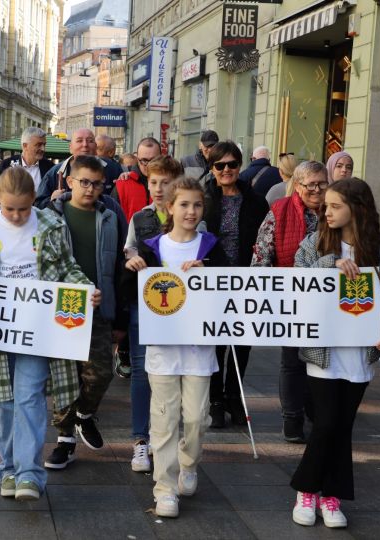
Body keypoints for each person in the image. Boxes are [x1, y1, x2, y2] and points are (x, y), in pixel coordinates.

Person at [0, 167, 100, 501]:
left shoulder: (51, 225)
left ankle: (29, 475)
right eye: (10, 209)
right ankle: (8, 469)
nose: (18, 215)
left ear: (32, 200)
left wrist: (85, 288)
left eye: (23, 208)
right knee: (6, 403)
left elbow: (69, 268)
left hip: (38, 328)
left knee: (30, 398)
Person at [290, 178, 380, 529]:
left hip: (360, 352)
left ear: (357, 208)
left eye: (335, 206)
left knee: (343, 425)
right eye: (325, 205)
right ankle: (306, 489)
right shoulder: (314, 244)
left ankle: (332, 495)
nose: (326, 212)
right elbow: (297, 286)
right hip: (323, 350)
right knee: (325, 422)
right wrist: (330, 266)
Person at [123, 176, 229, 518]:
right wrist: (132, 268)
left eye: (197, 205)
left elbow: (231, 287)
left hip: (199, 351)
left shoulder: (212, 247)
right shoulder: (152, 248)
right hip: (162, 350)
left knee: (197, 419)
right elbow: (131, 291)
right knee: (164, 419)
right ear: (169, 207)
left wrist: (208, 272)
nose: (191, 211)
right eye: (184, 204)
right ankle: (164, 489)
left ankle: (188, 461)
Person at [44, 155, 127, 469]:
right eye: (84, 182)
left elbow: (119, 263)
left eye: (97, 183)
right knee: (65, 377)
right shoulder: (50, 215)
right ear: (69, 181)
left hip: (99, 305)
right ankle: (64, 439)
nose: (90, 189)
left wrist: (118, 312)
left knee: (100, 373)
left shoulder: (109, 216)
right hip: (62, 306)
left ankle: (84, 414)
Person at [252, 160, 328, 442]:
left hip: (328, 302)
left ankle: (315, 411)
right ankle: (292, 419)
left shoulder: (337, 209)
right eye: (311, 184)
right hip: (291, 298)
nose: (318, 190)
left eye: (322, 183)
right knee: (292, 360)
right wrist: (264, 290)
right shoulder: (280, 210)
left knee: (321, 358)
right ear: (297, 186)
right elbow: (262, 254)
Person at [122, 155, 182, 472]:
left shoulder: (189, 215)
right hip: (143, 303)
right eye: (153, 182)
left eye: (166, 183)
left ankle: (165, 436)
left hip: (178, 306)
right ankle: (140, 440)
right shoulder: (140, 218)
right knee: (142, 368)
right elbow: (129, 247)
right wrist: (131, 255)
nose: (158, 189)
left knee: (172, 372)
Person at [203, 141, 269, 428]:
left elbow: (266, 240)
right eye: (220, 165)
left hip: (246, 279)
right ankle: (215, 399)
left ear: (240, 166)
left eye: (232, 164)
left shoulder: (256, 200)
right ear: (212, 168)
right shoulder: (204, 199)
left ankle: (235, 396)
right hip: (212, 280)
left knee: (242, 342)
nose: (226, 170)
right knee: (216, 343)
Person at [35, 128, 122, 205]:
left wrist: (127, 178)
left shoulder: (112, 169)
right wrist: (52, 200)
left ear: (95, 147)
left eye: (90, 141)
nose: (85, 145)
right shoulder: (55, 173)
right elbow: (39, 204)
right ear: (70, 148)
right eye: (79, 141)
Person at [113, 137, 162, 221]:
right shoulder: (123, 184)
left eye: (154, 160)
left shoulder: (171, 184)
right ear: (137, 159)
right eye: (144, 160)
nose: (149, 165)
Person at [0, 127, 53, 192]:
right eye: (38, 145)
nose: (43, 149)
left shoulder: (50, 168)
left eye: (44, 145)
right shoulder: (6, 165)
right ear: (25, 146)